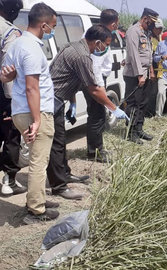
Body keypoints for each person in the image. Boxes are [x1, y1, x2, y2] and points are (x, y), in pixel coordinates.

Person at [45, 25, 129, 200]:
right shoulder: (82, 56)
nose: (105, 49)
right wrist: (114, 108)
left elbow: (69, 79)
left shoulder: (73, 46)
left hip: (57, 98)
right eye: (105, 45)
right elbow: (94, 90)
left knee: (60, 142)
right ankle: (59, 186)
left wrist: (72, 104)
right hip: (51, 101)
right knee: (56, 144)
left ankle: (65, 174)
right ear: (97, 42)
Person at [1, 2, 59, 223]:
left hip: (20, 110)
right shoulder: (31, 48)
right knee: (38, 161)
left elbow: (6, 75)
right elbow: (32, 87)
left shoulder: (16, 43)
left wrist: (10, 76)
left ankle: (38, 198)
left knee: (37, 157)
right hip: (37, 111)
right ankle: (36, 209)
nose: (51, 31)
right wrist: (36, 120)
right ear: (43, 25)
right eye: (52, 27)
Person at [86, 8, 119, 163]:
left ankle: (96, 148)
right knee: (97, 115)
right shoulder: (100, 37)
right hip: (95, 81)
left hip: (96, 80)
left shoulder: (96, 33)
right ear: (114, 23)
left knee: (96, 114)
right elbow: (96, 67)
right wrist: (101, 88)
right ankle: (95, 152)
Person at [0, 0, 25, 196]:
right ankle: (10, 181)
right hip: (3, 92)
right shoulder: (10, 32)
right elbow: (9, 68)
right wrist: (13, 101)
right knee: (11, 136)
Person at [123, 8, 158, 144]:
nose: (152, 26)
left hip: (145, 74)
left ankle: (139, 129)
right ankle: (130, 132)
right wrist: (139, 75)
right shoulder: (133, 31)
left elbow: (147, 55)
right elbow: (134, 55)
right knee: (133, 104)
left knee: (143, 103)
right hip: (134, 74)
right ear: (145, 19)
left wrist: (150, 72)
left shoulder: (145, 32)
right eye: (150, 23)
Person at [145, 18, 163, 117]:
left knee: (155, 91)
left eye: (161, 28)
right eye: (157, 28)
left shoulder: (158, 39)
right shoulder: (150, 38)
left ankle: (151, 112)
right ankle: (148, 113)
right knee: (151, 91)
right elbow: (150, 56)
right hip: (151, 68)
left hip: (158, 69)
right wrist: (151, 71)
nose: (159, 30)